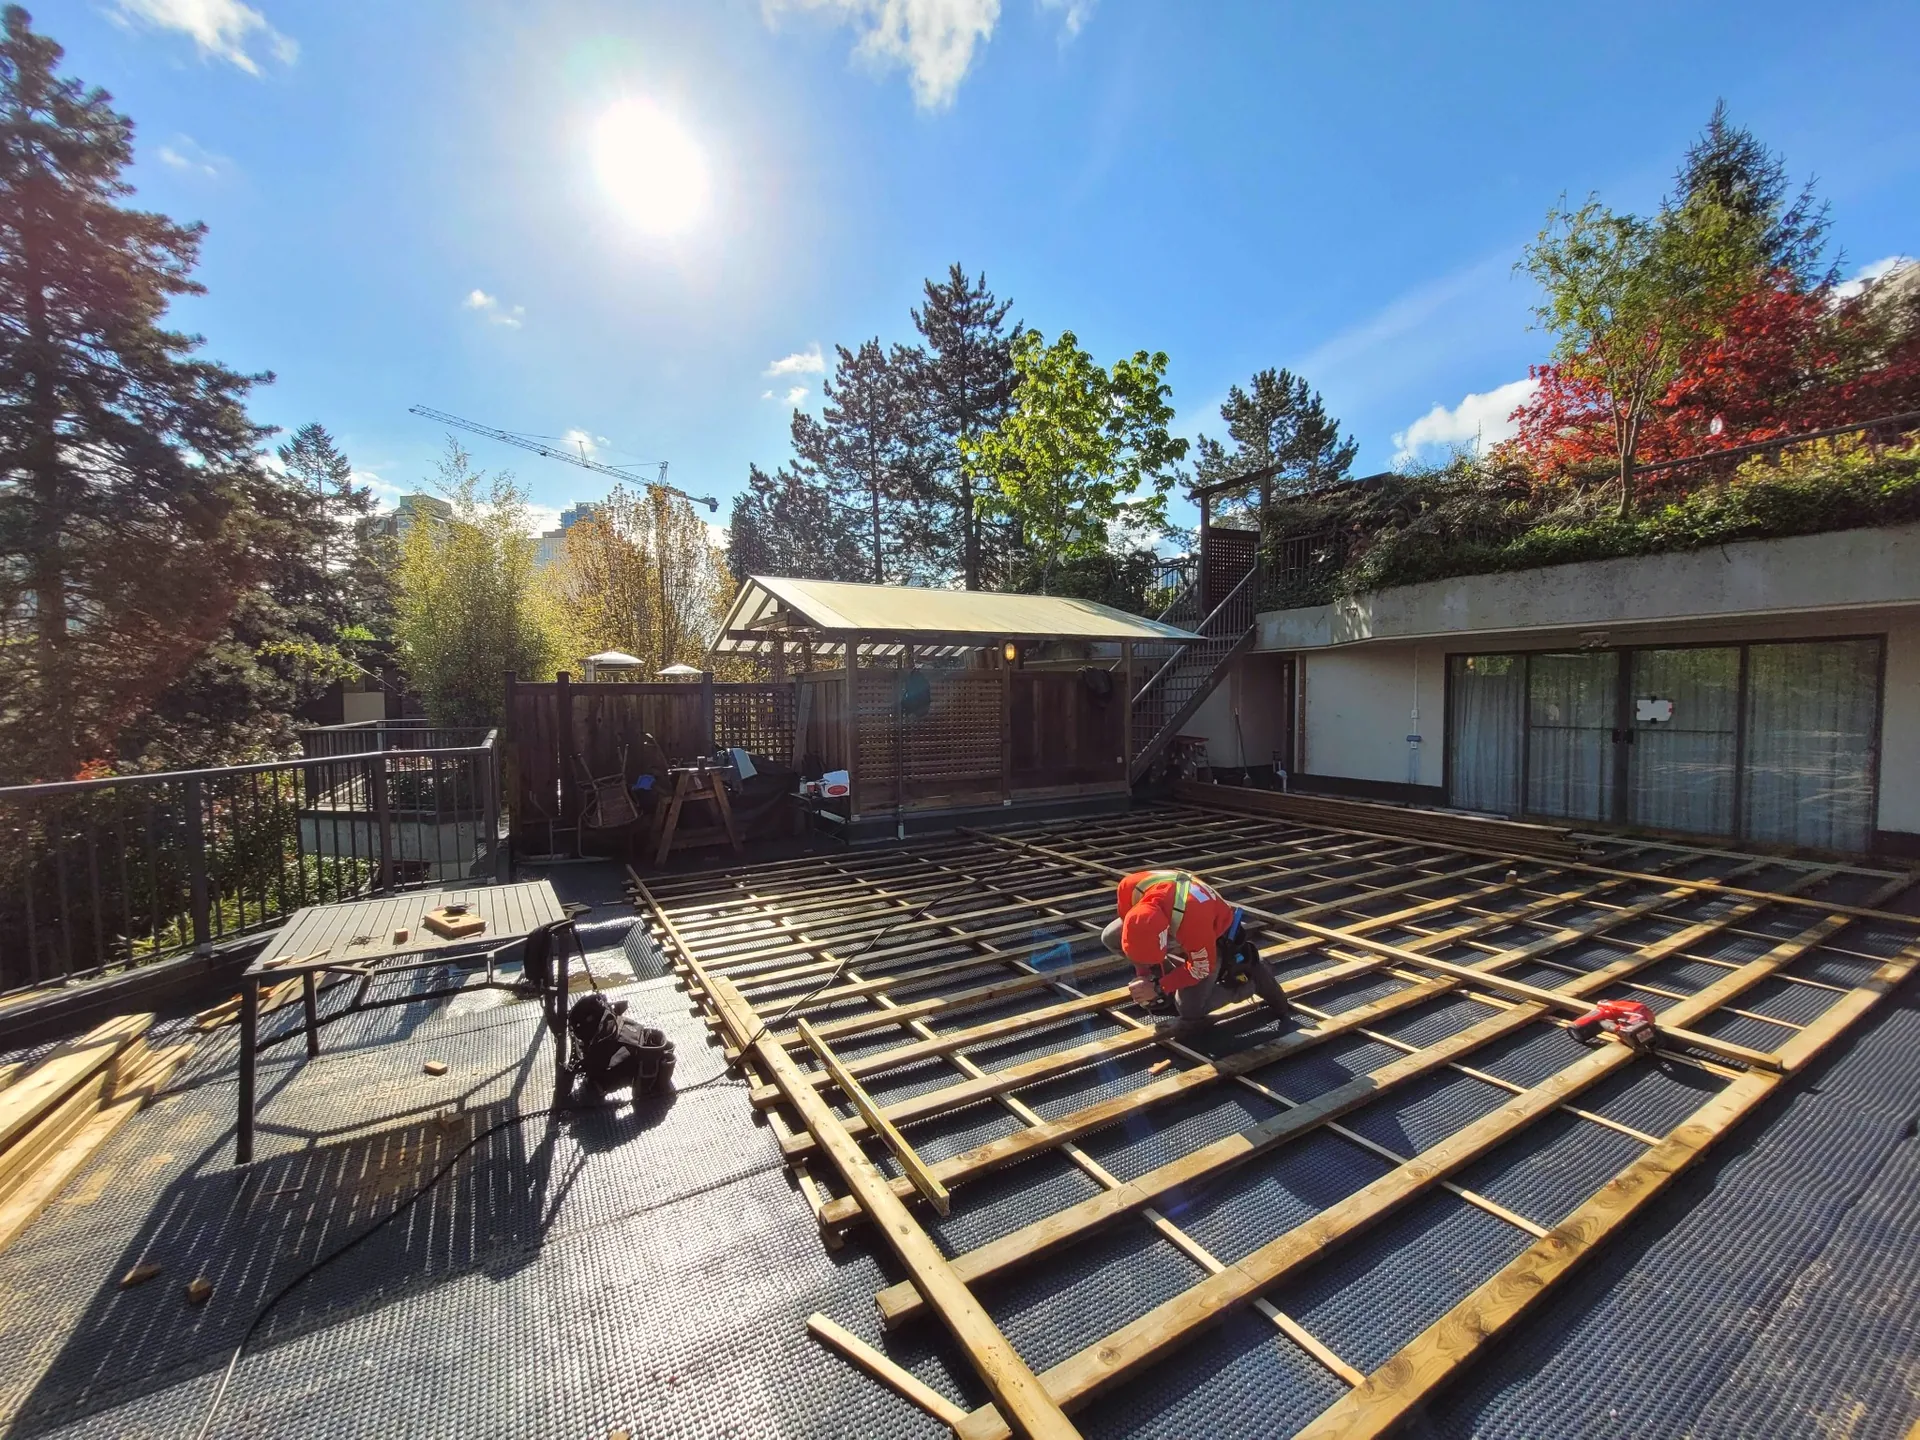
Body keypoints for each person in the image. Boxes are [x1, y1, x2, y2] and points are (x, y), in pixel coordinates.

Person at [1101, 869, 1292, 1040]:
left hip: (1215, 933)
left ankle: (1251, 982)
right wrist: (1145, 976)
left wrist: (1159, 987)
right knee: (1110, 936)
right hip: (1174, 911)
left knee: (1189, 1009)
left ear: (1166, 937)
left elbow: (1200, 968)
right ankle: (1166, 983)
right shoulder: (1129, 888)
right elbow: (1134, 932)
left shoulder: (1194, 926)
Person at [565, 992, 676, 1106]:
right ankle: (603, 1081)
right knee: (628, 1045)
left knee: (632, 1054)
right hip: (619, 1041)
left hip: (627, 1050)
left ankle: (603, 1083)